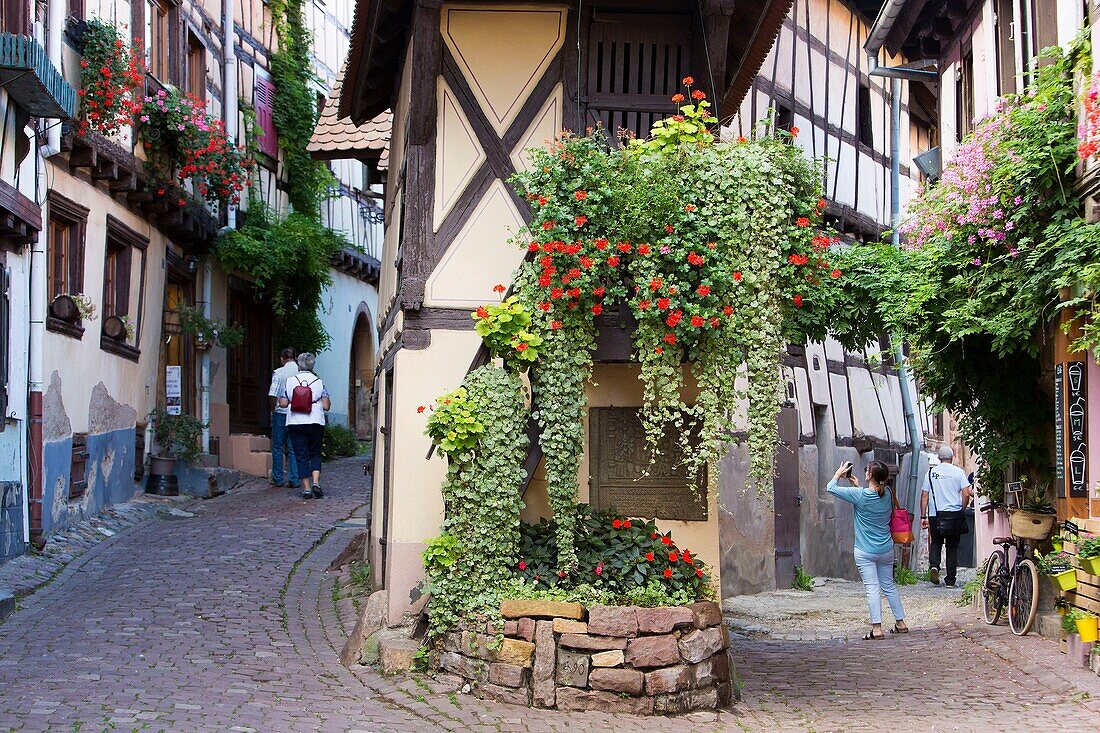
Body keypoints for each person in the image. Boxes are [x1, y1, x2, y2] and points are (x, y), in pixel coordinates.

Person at [828, 460, 908, 640]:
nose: (865, 472)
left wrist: (839, 474)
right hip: (886, 549)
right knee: (888, 586)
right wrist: (857, 486)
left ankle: (877, 629)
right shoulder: (888, 492)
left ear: (870, 476)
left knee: (872, 588)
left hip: (865, 550)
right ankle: (901, 623)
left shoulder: (859, 495)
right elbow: (876, 496)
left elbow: (830, 488)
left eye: (867, 470)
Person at [279, 352, 331, 500]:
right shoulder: (319, 382)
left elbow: (282, 403)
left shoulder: (290, 381)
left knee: (300, 455)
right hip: (315, 421)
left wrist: (294, 402)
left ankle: (307, 489)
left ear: (298, 364)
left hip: (295, 421)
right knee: (315, 452)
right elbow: (326, 406)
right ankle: (316, 482)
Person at [921, 445, 972, 587]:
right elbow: (966, 493)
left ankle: (934, 566)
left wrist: (923, 517)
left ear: (938, 458)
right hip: (954, 514)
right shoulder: (958, 472)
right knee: (952, 546)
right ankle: (950, 580)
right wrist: (962, 508)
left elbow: (924, 495)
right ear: (952, 457)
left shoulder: (930, 473)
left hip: (935, 514)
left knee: (936, 542)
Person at [268, 348, 300, 489]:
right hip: (295, 413)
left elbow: (272, 394)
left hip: (280, 413)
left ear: (282, 358)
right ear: (295, 358)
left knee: (278, 446)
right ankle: (294, 478)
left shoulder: (279, 373)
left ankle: (278, 478)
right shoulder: (300, 373)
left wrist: (273, 409)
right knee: (294, 447)